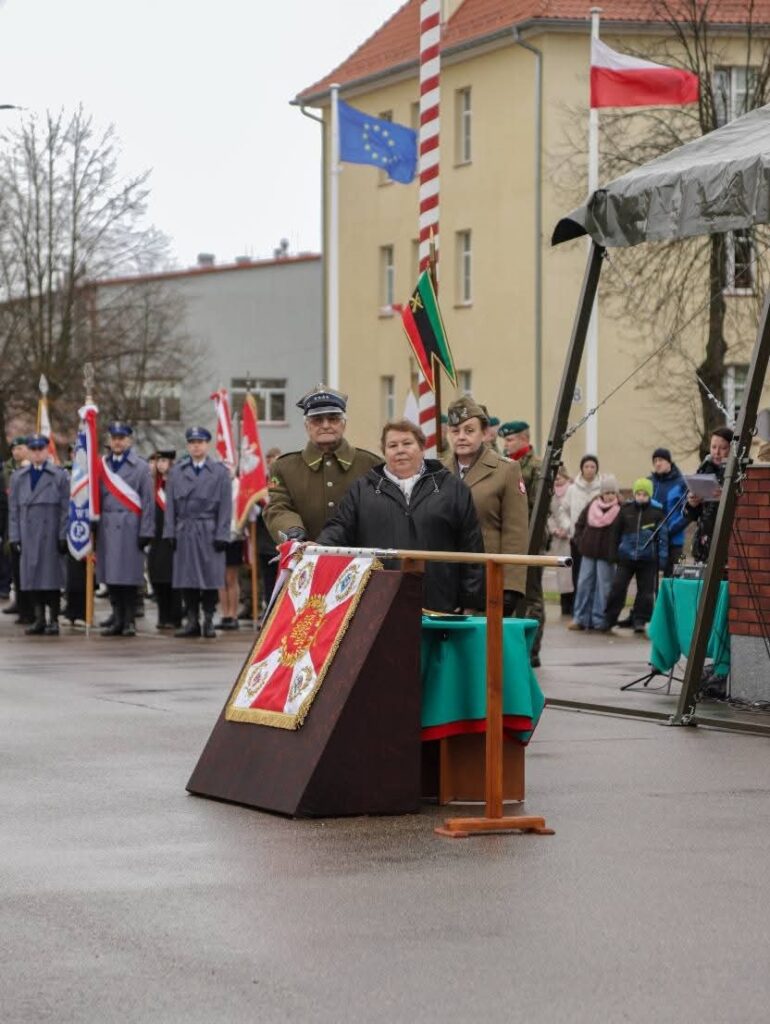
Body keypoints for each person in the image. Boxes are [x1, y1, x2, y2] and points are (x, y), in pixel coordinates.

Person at [317, 418, 484, 612]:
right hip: (377, 604)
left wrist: (471, 601)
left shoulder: (452, 487)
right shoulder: (362, 489)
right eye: (392, 445)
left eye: (407, 443)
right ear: (384, 452)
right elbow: (340, 527)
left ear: (422, 448)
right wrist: (319, 546)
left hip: (439, 603)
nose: (400, 450)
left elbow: (470, 544)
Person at [265, 384, 380, 543]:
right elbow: (278, 507)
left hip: (359, 555)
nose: (325, 425)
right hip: (304, 554)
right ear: (307, 426)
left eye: (333, 419)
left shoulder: (371, 465)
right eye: (317, 420)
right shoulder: (283, 468)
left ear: (344, 424)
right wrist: (292, 529)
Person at [444, 397, 528, 614]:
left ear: (484, 433)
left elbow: (515, 532)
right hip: (445, 580)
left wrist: (511, 587)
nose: (461, 437)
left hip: (488, 580)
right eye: (455, 431)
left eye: (469, 430)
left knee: (482, 636)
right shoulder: (438, 471)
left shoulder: (506, 470)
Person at [164, 426, 232, 638]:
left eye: (200, 442)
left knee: (211, 578)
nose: (196, 446)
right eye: (192, 443)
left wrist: (222, 534)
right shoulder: (177, 472)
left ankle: (209, 620)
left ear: (207, 445)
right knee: (187, 579)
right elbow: (170, 506)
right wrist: (170, 533)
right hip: (185, 530)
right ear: (188, 446)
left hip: (209, 530)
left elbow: (226, 507)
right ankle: (192, 620)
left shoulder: (220, 472)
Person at [8, 433, 69, 635]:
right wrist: (14, 537)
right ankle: (39, 618)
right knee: (31, 579)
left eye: (40, 449)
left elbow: (65, 509)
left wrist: (63, 535)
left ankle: (54, 619)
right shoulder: (18, 477)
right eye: (33, 449)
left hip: (49, 535)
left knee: (51, 580)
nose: (36, 453)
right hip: (28, 536)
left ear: (46, 450)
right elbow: (14, 511)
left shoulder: (59, 476)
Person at [97, 422, 154, 637]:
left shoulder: (140, 467)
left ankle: (129, 620)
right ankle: (117, 618)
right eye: (114, 438)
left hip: (131, 526)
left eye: (121, 438)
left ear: (129, 440)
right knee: (111, 577)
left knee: (129, 578)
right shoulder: (103, 466)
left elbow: (147, 501)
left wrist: (146, 531)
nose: (117, 442)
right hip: (107, 526)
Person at [499, 419, 545, 667]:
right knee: (511, 592)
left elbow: (539, 507)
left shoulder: (537, 467)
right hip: (508, 538)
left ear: (524, 439)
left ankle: (531, 650)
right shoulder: (505, 465)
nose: (506, 444)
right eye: (505, 440)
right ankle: (513, 647)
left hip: (531, 536)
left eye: (511, 439)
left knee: (532, 595)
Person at [605, 477, 669, 634]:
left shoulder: (657, 513)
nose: (641, 497)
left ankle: (640, 619)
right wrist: (613, 554)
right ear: (634, 494)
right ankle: (610, 618)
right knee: (618, 587)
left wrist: (662, 559)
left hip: (648, 559)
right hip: (626, 557)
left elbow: (663, 538)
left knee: (646, 593)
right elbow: (615, 533)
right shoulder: (625, 510)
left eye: (644, 494)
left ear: (650, 495)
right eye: (638, 494)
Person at [569, 474, 621, 632]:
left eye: (612, 493)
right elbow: (580, 524)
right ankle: (580, 618)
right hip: (588, 551)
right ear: (602, 493)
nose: (609, 496)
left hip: (607, 555)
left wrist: (617, 550)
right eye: (607, 492)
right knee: (584, 584)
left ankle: (600, 619)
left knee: (604, 587)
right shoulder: (591, 506)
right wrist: (580, 541)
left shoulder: (621, 509)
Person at [685, 426, 733, 563]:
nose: (716, 452)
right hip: (703, 544)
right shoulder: (704, 470)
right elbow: (689, 516)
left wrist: (725, 498)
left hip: (728, 544)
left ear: (732, 449)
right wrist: (692, 504)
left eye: (723, 448)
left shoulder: (739, 474)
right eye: (713, 447)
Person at [147, 449, 183, 630]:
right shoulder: (154, 485)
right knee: (158, 577)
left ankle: (175, 616)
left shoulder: (177, 482)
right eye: (158, 461)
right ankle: (162, 615)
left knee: (172, 578)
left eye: (164, 461)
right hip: (156, 537)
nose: (160, 464)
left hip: (172, 537)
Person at [3, 436, 34, 624]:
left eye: (20, 448)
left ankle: (32, 609)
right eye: (14, 449)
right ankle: (21, 605)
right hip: (12, 523)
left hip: (31, 526)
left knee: (30, 571)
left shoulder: (32, 469)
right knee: (16, 568)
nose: (16, 452)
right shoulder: (7, 470)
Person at [564, 454, 602, 593]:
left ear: (597, 469)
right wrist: (568, 526)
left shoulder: (602, 489)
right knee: (578, 571)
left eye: (593, 466)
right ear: (581, 468)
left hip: (597, 539)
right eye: (586, 466)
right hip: (577, 539)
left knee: (596, 572)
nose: (589, 469)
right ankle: (578, 600)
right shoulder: (572, 489)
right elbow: (563, 510)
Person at [648, 446, 688, 577]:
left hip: (675, 542)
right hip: (654, 541)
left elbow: (687, 512)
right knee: (652, 580)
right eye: (655, 461)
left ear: (669, 462)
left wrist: (669, 530)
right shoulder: (649, 482)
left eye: (661, 460)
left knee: (677, 577)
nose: (657, 464)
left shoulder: (682, 483)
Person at [547, 463, 575, 616]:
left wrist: (568, 529)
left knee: (573, 572)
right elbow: (549, 515)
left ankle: (574, 604)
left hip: (571, 536)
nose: (557, 481)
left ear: (565, 477)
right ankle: (565, 605)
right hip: (558, 538)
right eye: (555, 479)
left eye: (559, 478)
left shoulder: (572, 491)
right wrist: (554, 530)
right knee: (562, 573)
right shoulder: (551, 493)